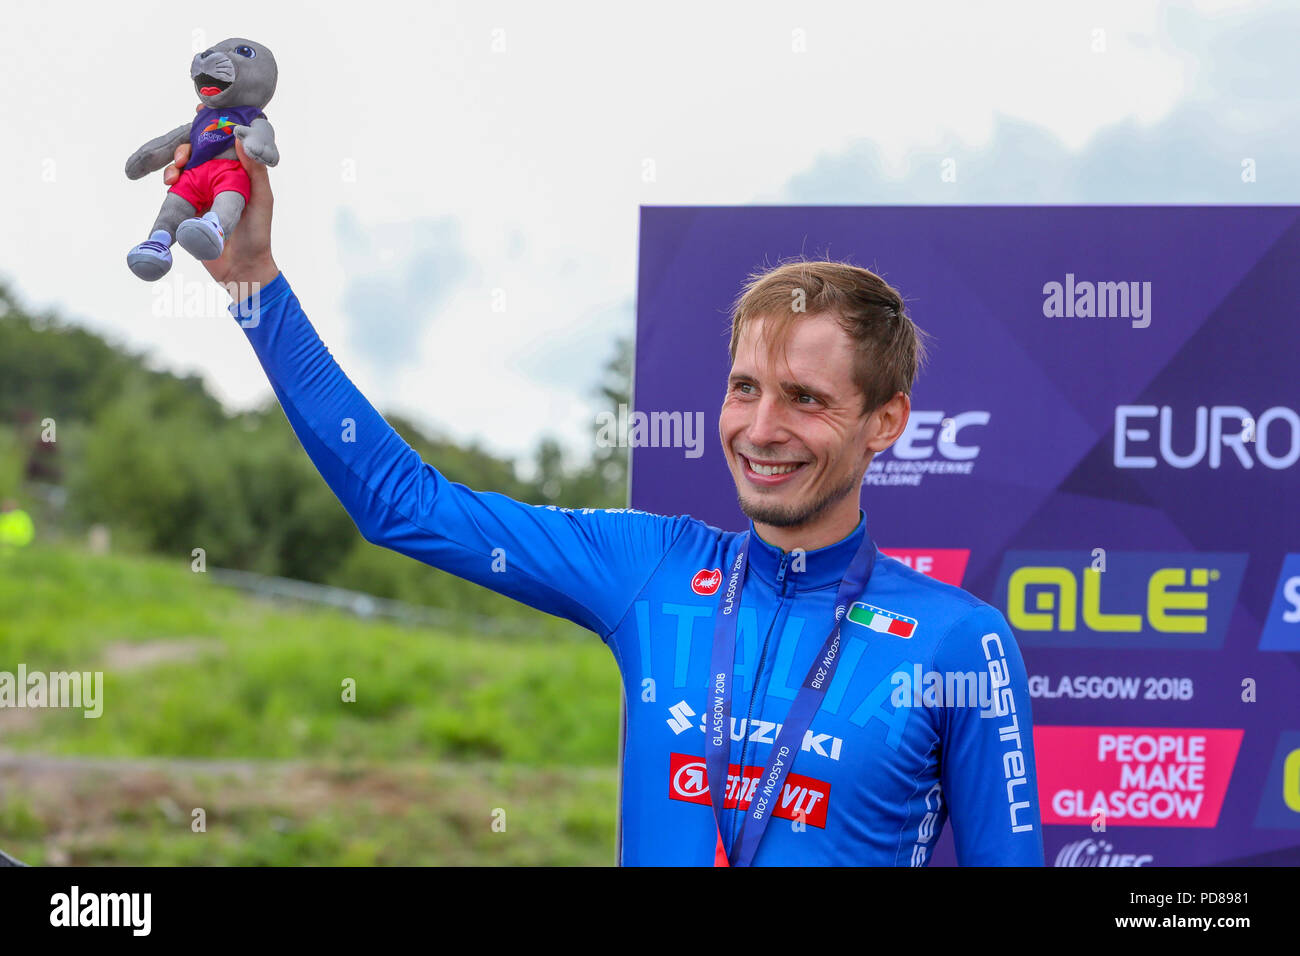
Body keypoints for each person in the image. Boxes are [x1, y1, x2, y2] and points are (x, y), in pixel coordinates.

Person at [167, 137, 1044, 866]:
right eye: (744, 388)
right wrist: (254, 284)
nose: (761, 427)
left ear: (884, 421)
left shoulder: (959, 640)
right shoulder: (653, 567)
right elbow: (403, 503)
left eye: (805, 399)